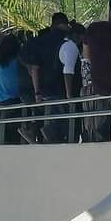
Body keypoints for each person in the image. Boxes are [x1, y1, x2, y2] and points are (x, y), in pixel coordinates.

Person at [24, 12, 71, 143]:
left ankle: (44, 134)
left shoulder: (39, 42)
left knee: (50, 115)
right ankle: (50, 133)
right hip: (59, 86)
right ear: (62, 25)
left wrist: (37, 90)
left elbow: (34, 68)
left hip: (45, 88)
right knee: (60, 121)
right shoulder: (64, 42)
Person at [84, 0, 111, 142]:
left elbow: (86, 56)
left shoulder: (94, 29)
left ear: (110, 10)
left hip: (97, 85)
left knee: (96, 123)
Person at [58, 22, 85, 142]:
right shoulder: (71, 47)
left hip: (66, 89)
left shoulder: (63, 44)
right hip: (71, 90)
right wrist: (69, 94)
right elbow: (68, 70)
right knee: (73, 124)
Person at [0, 33, 23, 144]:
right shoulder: (18, 61)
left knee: (9, 129)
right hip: (15, 98)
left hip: (3, 99)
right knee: (18, 127)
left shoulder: (0, 62)